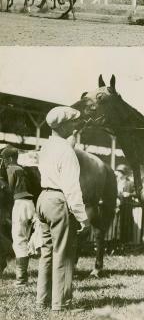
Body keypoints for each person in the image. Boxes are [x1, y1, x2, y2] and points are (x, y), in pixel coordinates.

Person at [36, 106, 90, 312]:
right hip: (58, 200)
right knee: (63, 253)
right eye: (74, 122)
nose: (76, 126)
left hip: (43, 199)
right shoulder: (67, 151)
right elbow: (72, 188)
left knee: (47, 253)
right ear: (64, 124)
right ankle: (61, 304)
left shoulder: (46, 147)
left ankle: (42, 301)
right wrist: (83, 218)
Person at [0, 145, 35, 286]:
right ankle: (22, 277)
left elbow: (9, 188)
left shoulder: (10, 169)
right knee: (25, 239)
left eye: (3, 159)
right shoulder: (22, 169)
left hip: (19, 204)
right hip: (30, 204)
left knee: (19, 241)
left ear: (8, 158)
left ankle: (22, 279)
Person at [115, 164, 136, 245]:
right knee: (116, 226)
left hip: (126, 207)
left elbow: (137, 192)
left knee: (125, 225)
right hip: (116, 206)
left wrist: (129, 194)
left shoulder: (130, 183)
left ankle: (125, 243)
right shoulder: (115, 182)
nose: (117, 174)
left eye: (119, 172)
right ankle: (116, 242)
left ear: (124, 174)